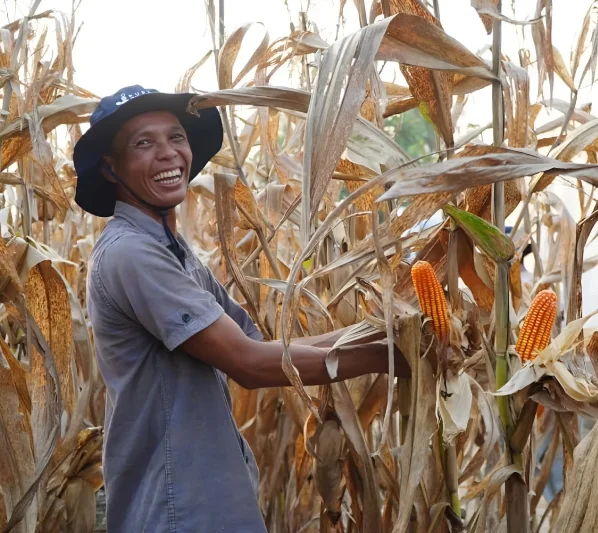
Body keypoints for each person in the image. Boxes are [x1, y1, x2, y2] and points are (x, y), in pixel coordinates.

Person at [72, 86, 408, 533]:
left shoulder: (173, 252)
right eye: (143, 143)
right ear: (111, 168)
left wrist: (384, 332)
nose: (168, 153)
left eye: (176, 137)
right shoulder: (131, 254)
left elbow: (260, 345)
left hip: (206, 497)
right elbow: (249, 365)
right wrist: (390, 358)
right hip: (177, 507)